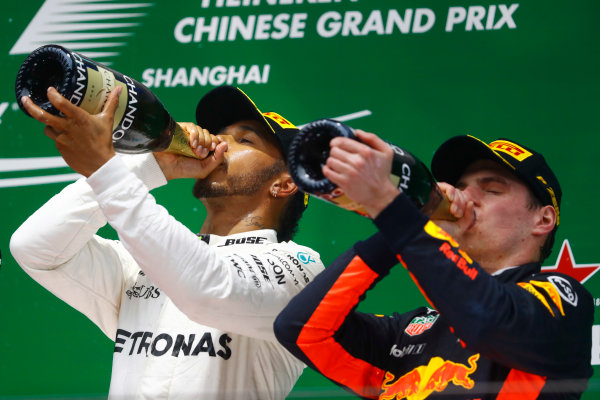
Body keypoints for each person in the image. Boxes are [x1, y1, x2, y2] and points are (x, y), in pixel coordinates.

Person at [10, 84, 324, 399]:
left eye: (244, 139)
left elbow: (208, 290)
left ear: (284, 184)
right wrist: (150, 166)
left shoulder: (302, 269)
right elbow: (35, 248)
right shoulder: (143, 263)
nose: (220, 142)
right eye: (221, 133)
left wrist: (106, 170)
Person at [274, 130, 593, 399]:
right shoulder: (411, 330)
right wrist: (406, 222)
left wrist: (392, 209)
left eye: (492, 188)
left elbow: (488, 320)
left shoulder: (562, 300)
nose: (467, 197)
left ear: (543, 219)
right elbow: (300, 329)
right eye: (463, 186)